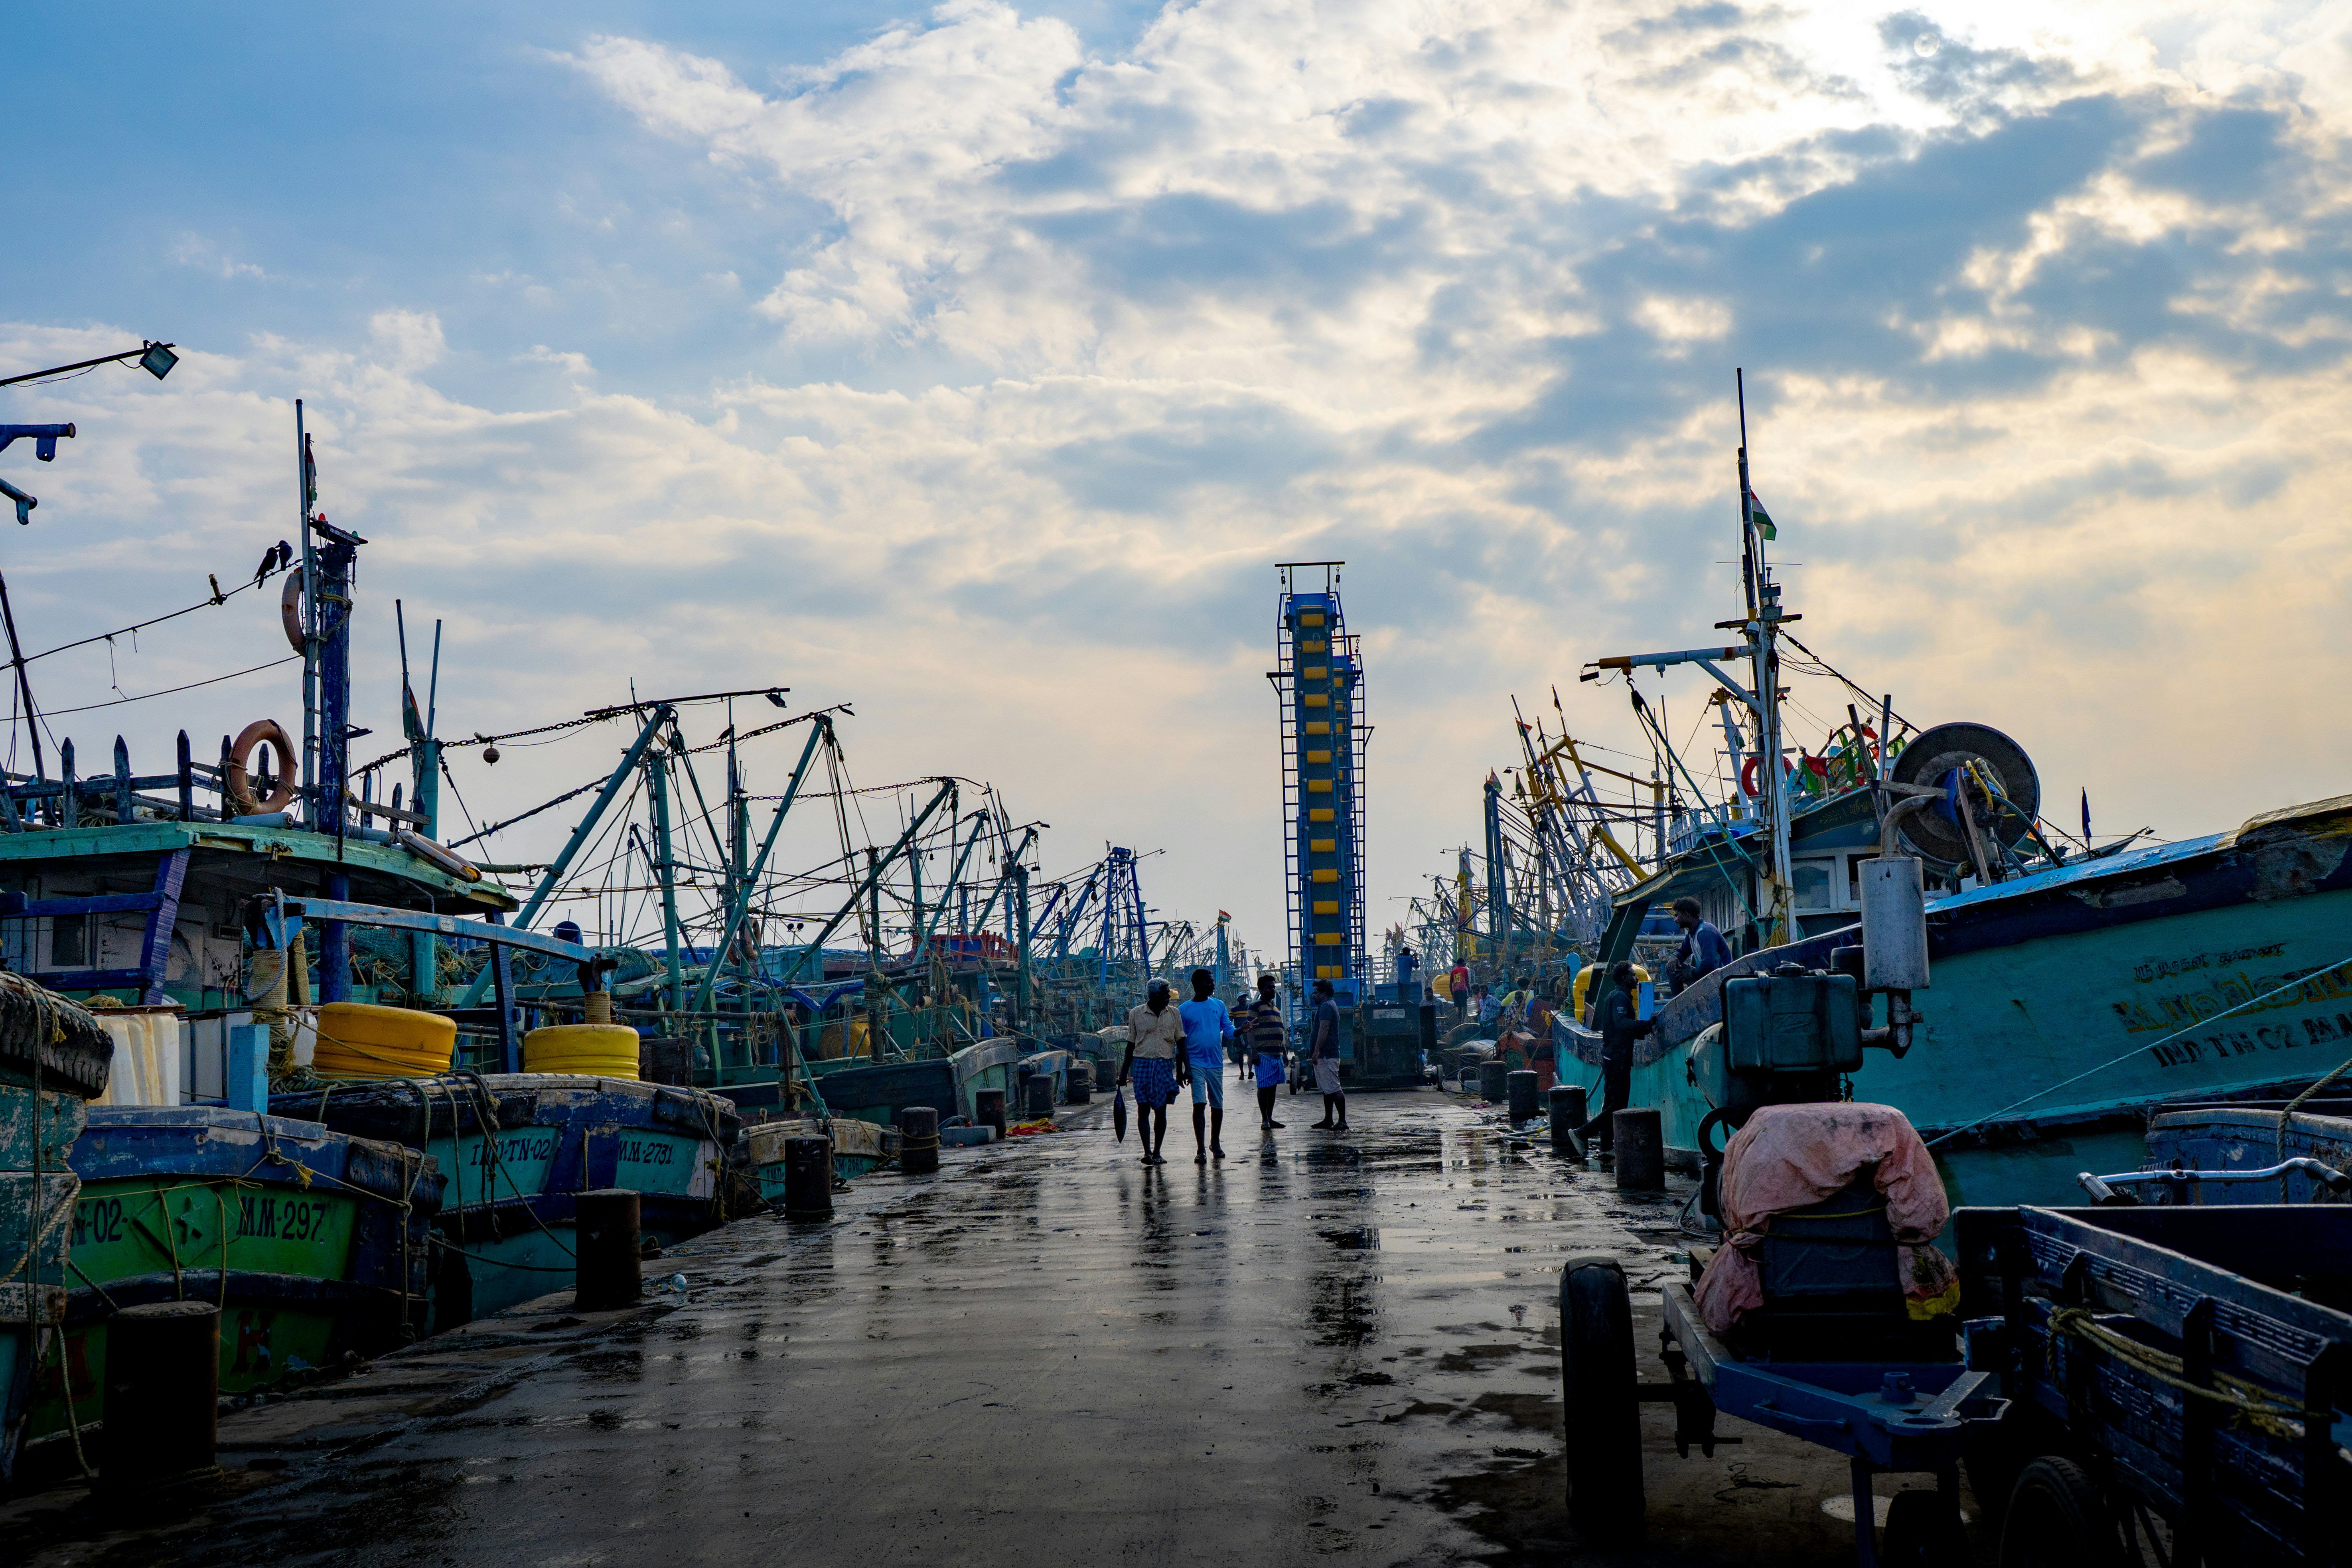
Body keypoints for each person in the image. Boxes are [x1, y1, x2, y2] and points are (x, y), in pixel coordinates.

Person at [1577, 961, 1654, 1158]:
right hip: (1618, 1056)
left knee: (1610, 1101)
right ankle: (1582, 1133)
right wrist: (1646, 1025)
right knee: (1619, 1105)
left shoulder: (1616, 996)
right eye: (1632, 975)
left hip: (1613, 1055)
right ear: (1623, 978)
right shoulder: (1620, 997)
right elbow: (1621, 1024)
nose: (1636, 979)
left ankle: (1605, 1147)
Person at [1119, 979, 1188, 1165]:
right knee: (1143, 1110)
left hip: (1164, 1065)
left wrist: (1185, 1069)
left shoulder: (1174, 1013)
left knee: (1161, 1111)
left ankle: (1158, 1152)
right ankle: (1147, 1152)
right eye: (1165, 993)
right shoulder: (1136, 1014)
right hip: (1142, 1065)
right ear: (1154, 995)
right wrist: (1123, 1074)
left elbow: (1181, 1041)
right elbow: (1131, 1045)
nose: (1168, 996)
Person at [1177, 967, 1235, 1163]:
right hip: (1196, 1063)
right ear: (1197, 984)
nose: (1213, 985)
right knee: (1199, 1104)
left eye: (1212, 981)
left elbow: (1228, 1031)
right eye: (1209, 981)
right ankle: (1201, 1149)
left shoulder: (1219, 1005)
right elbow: (1180, 1042)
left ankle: (1215, 1143)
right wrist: (1182, 1069)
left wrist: (1241, 1031)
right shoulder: (1184, 1010)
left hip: (1216, 1063)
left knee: (1217, 1105)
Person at [1243, 972, 1288, 1132]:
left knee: (1273, 1087)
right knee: (1264, 1086)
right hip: (1263, 1054)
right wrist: (1254, 1052)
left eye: (1274, 988)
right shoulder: (1255, 1007)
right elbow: (1250, 1031)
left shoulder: (1275, 1008)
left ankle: (1270, 1118)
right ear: (1261, 990)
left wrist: (1284, 1052)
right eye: (1269, 988)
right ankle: (1265, 1120)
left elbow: (1279, 1031)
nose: (1273, 991)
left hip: (1276, 1054)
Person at [1307, 978, 1348, 1132]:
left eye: (1316, 993)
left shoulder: (1326, 1007)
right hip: (1327, 1054)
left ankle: (1342, 1121)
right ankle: (1328, 1119)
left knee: (1334, 1088)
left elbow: (1323, 1031)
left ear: (1324, 993)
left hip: (1326, 1055)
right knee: (1327, 1089)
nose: (1314, 996)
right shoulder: (1330, 1005)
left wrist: (1317, 1051)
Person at [1670, 896, 1732, 988]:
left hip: (1721, 980)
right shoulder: (1692, 933)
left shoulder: (1705, 932)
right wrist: (1674, 957)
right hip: (1708, 977)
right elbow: (1682, 952)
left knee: (1676, 969)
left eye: (1677, 915)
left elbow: (1708, 966)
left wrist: (1690, 973)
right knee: (1671, 967)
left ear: (1687, 914)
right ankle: (1676, 1001)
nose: (1675, 920)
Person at [1448, 961, 1471, 1025]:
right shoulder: (1465, 970)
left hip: (1455, 991)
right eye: (1464, 963)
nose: (1465, 964)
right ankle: (1463, 1020)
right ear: (1461, 963)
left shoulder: (1453, 972)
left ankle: (1460, 1021)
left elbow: (1450, 984)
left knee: (1459, 1008)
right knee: (1465, 1006)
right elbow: (1467, 982)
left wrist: (1452, 994)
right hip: (1462, 990)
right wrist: (1469, 991)